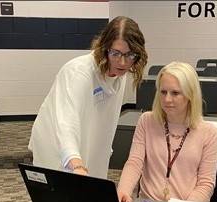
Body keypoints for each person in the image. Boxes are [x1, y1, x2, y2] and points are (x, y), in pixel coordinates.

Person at [28, 16, 148, 179]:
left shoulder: (120, 74)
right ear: (105, 48)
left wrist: (104, 151)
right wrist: (74, 162)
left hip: (87, 141)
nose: (122, 62)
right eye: (115, 53)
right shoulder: (79, 72)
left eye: (129, 55)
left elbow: (108, 121)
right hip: (56, 146)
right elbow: (66, 124)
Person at [117, 62, 217, 202]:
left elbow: (205, 184)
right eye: (163, 92)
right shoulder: (146, 121)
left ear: (190, 94)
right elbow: (134, 163)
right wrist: (123, 191)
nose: (167, 99)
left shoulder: (209, 132)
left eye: (175, 93)